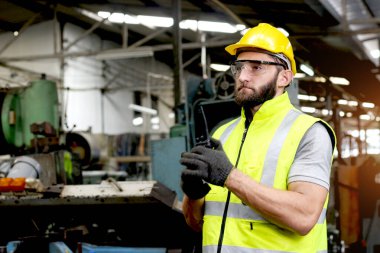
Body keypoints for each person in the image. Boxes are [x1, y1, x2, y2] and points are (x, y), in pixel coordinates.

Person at [180, 23, 336, 253]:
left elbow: (303, 217)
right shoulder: (222, 133)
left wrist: (228, 176)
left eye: (256, 67)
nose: (242, 76)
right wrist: (193, 196)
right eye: (239, 67)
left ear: (284, 77)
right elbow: (196, 224)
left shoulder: (310, 132)